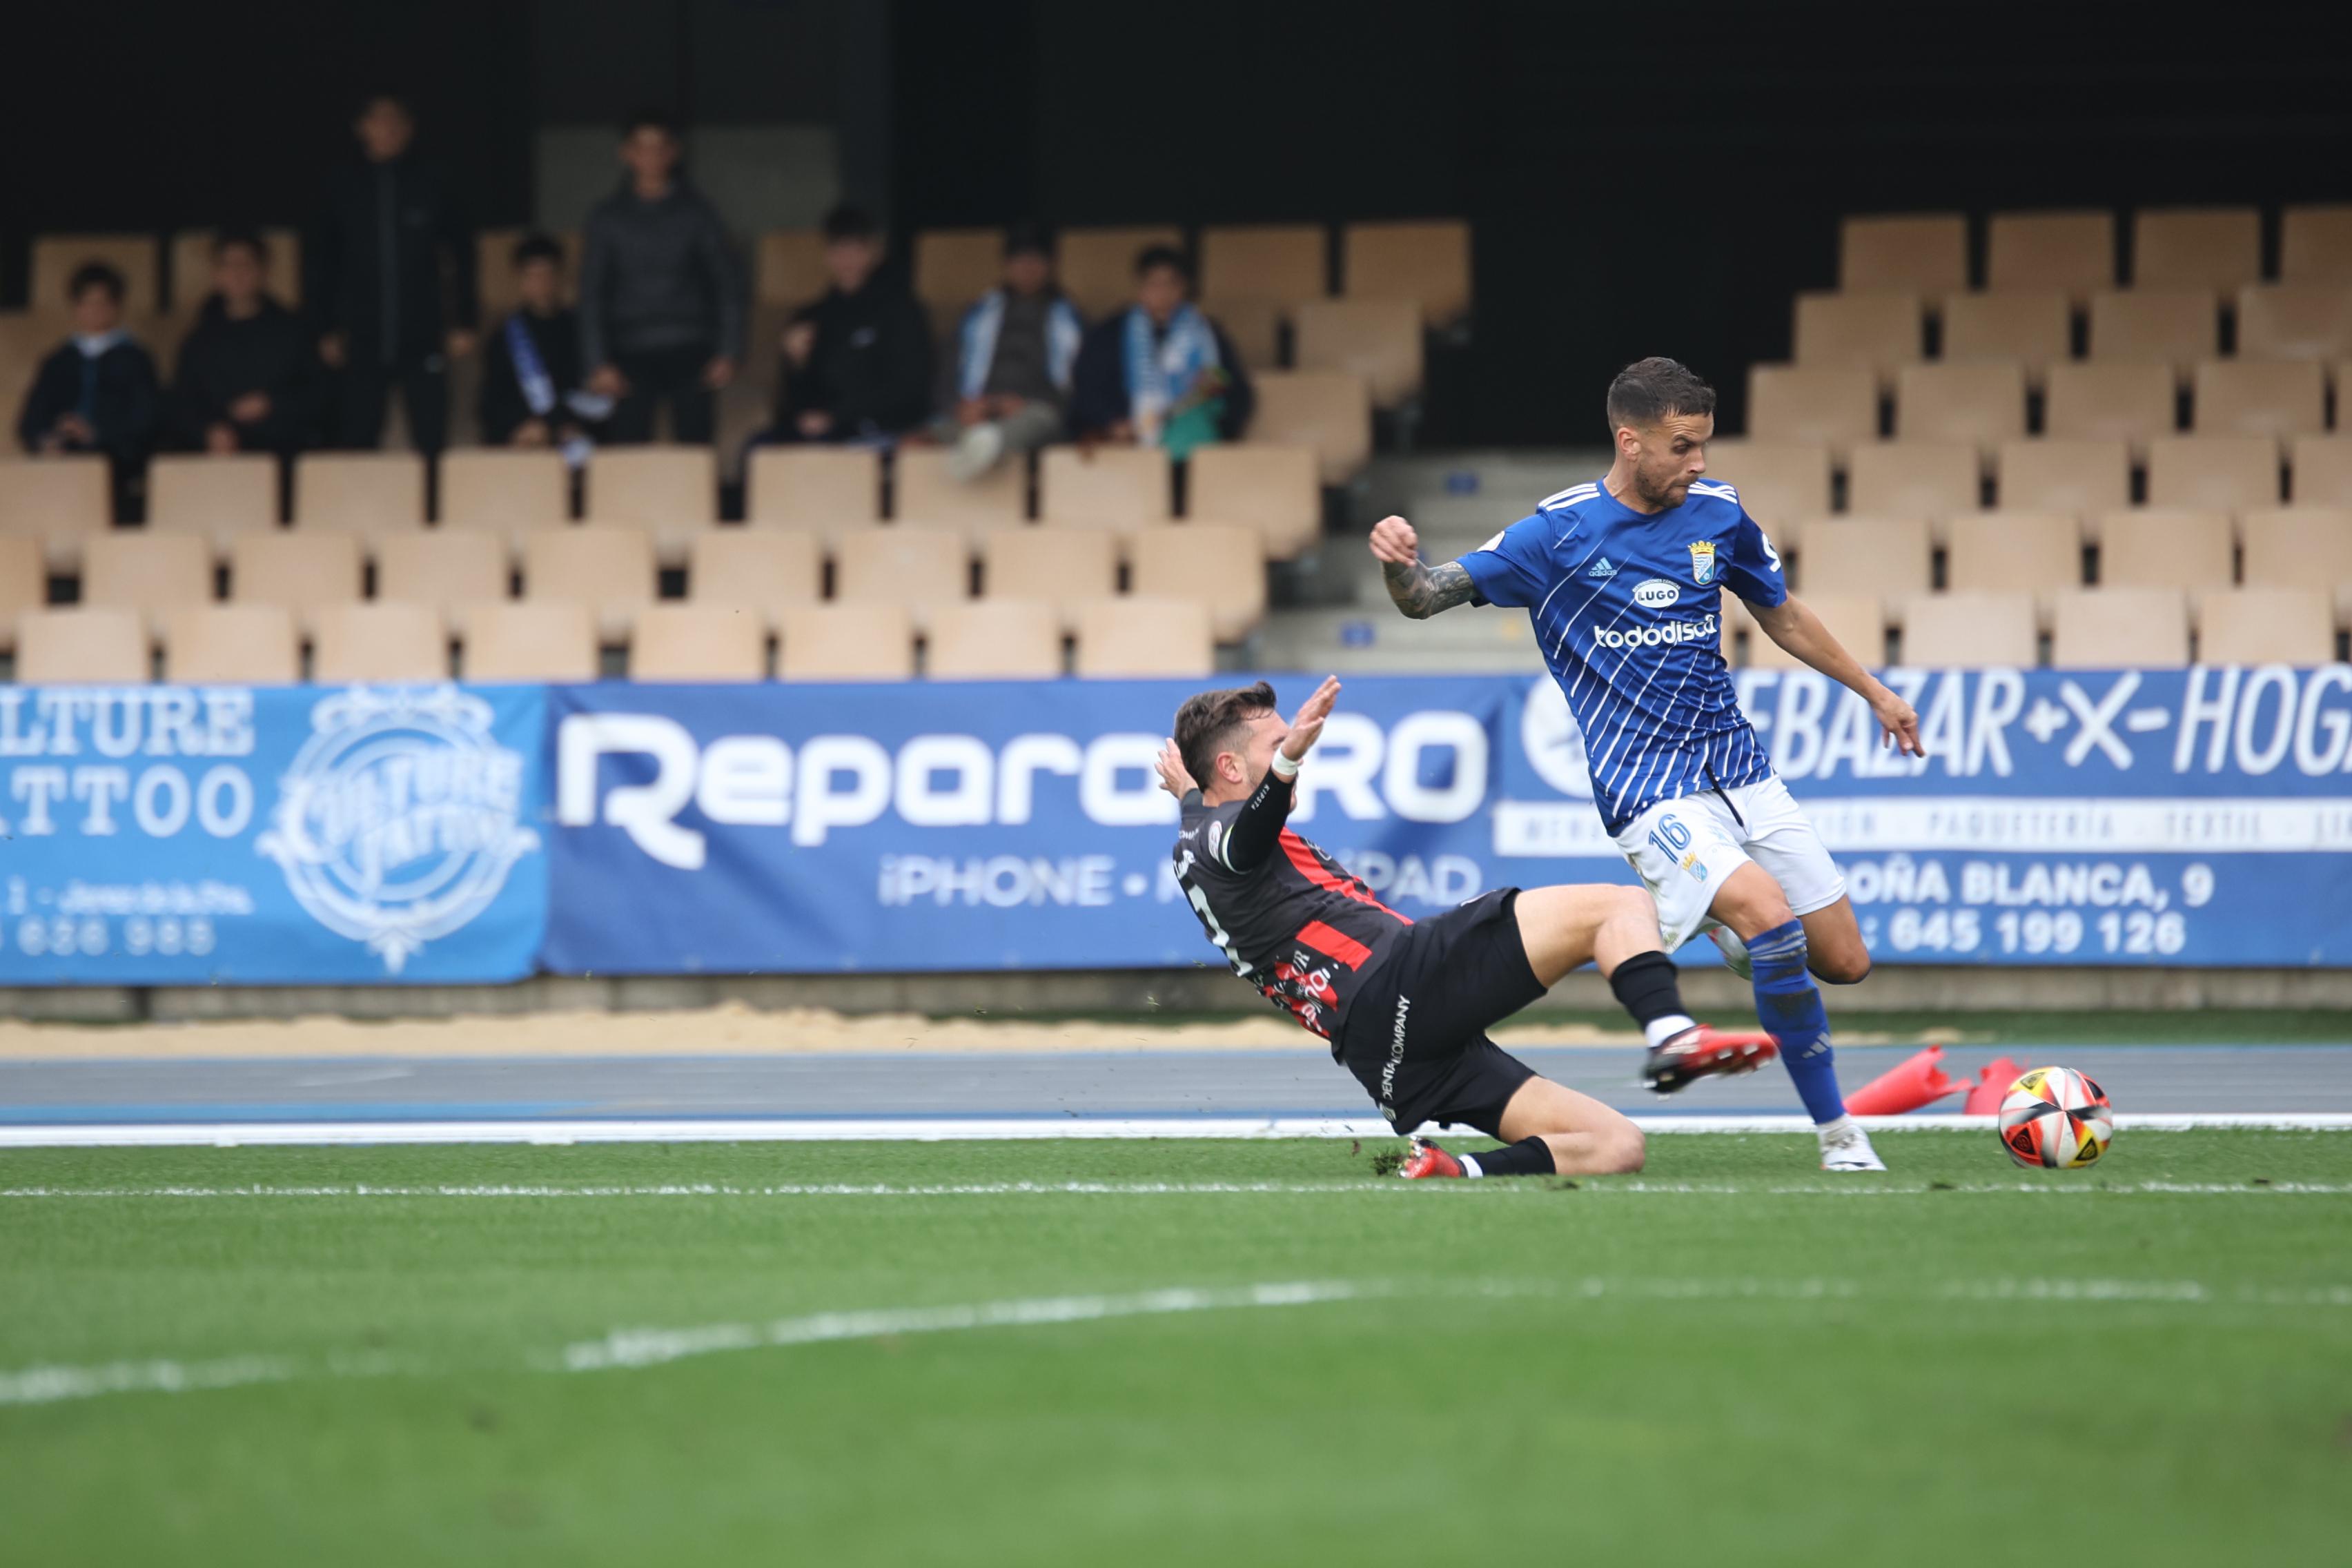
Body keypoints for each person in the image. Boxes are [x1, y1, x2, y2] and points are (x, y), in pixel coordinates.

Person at [1368, 357, 1926, 1172]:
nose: (1698, 461)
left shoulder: (1719, 513)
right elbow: (1424, 596)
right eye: (1681, 446)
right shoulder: (1554, 534)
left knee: (1844, 961)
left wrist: (1874, 692)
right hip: (1646, 787)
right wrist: (1395, 563)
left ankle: (1729, 929)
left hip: (1740, 770)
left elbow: (1782, 614)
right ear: (1630, 442)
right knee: (1770, 915)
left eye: (1702, 443)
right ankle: (1839, 1135)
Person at [1158, 677, 1779, 1179]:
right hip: (1398, 982)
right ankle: (1671, 1032)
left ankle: (1457, 1170)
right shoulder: (1225, 836)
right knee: (1616, 907)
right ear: (1232, 770)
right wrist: (1291, 759)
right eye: (1274, 744)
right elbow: (1247, 834)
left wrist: (1193, 792)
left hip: (1388, 1056)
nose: (1291, 751)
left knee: (1616, 1145)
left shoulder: (1195, 833)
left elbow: (1221, 824)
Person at [309, 92, 476, 453]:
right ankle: (358, 510)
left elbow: (462, 253)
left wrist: (463, 320)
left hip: (424, 334)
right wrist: (323, 328)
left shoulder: (434, 182)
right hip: (361, 336)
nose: (389, 129)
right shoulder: (340, 186)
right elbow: (322, 261)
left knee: (431, 437)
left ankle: (433, 509)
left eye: (397, 121)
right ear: (362, 127)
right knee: (357, 435)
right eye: (379, 120)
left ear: (410, 129)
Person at [578, 110, 745, 444]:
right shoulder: (607, 217)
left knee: (696, 443)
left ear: (673, 152)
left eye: (659, 147)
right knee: (627, 443)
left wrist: (728, 350)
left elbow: (726, 283)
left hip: (690, 342)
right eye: (641, 147)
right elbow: (591, 291)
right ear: (626, 154)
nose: (651, 157)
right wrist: (597, 362)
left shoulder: (698, 213)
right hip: (629, 345)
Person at [925, 222, 1082, 478]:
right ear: (1007, 265)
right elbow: (946, 373)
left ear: (1050, 265)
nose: (1028, 268)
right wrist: (961, 406)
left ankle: (988, 446)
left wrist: (1023, 403)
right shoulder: (977, 315)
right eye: (1020, 260)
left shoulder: (1069, 320)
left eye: (1036, 260)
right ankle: (983, 446)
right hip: (977, 411)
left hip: (1034, 413)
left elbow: (1077, 386)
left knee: (1039, 420)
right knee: (922, 438)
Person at [771, 204, 933, 447]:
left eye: (856, 249)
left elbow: (911, 388)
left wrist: (837, 415)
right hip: (818, 430)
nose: (847, 260)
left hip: (878, 426)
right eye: (838, 250)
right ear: (827, 255)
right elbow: (793, 403)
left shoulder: (901, 311)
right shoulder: (811, 316)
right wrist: (795, 364)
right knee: (759, 450)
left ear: (873, 251)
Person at [1069, 246, 1252, 456]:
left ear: (1183, 288)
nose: (1161, 292)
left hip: (1191, 430)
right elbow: (1089, 387)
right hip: (1126, 434)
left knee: (1193, 428)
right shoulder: (1109, 333)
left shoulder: (1206, 334)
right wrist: (1112, 422)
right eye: (1153, 283)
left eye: (1170, 284)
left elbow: (1231, 388)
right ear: (1140, 287)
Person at [169, 231, 320, 456]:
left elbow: (318, 394)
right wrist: (208, 431)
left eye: (246, 265)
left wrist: (273, 404)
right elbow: (183, 403)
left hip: (283, 450)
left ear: (263, 271)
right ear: (216, 274)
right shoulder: (199, 340)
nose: (237, 274)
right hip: (219, 457)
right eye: (228, 266)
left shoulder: (294, 332)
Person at [14, 263, 161, 481]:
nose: (94, 310)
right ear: (75, 306)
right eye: (86, 303)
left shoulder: (136, 359)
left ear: (116, 306)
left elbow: (146, 421)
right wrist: (47, 439)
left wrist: (96, 433)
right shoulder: (58, 361)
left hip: (117, 467)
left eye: (102, 302)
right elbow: (30, 422)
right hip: (61, 466)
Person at [478, 234, 605, 453]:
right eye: (532, 275)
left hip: (576, 432)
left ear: (560, 276)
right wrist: (526, 425)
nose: (541, 283)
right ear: (520, 280)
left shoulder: (580, 329)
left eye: (547, 274)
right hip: (524, 436)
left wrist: (557, 424)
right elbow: (492, 400)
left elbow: (590, 393)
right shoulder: (504, 336)